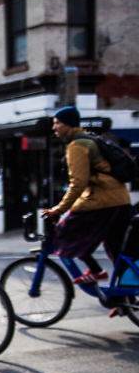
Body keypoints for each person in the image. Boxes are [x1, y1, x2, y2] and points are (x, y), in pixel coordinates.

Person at [42, 106, 133, 289]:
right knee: (115, 250)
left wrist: (58, 210)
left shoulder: (77, 145)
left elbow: (78, 183)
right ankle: (125, 298)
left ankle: (96, 271)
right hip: (120, 200)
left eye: (57, 123)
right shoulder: (90, 139)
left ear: (68, 124)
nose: (54, 128)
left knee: (66, 233)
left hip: (103, 201)